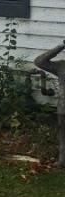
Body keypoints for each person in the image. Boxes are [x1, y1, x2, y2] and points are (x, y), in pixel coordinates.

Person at [33, 40, 65, 168]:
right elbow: (39, 61)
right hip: (63, 107)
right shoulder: (61, 66)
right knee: (62, 136)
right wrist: (60, 46)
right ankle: (62, 160)